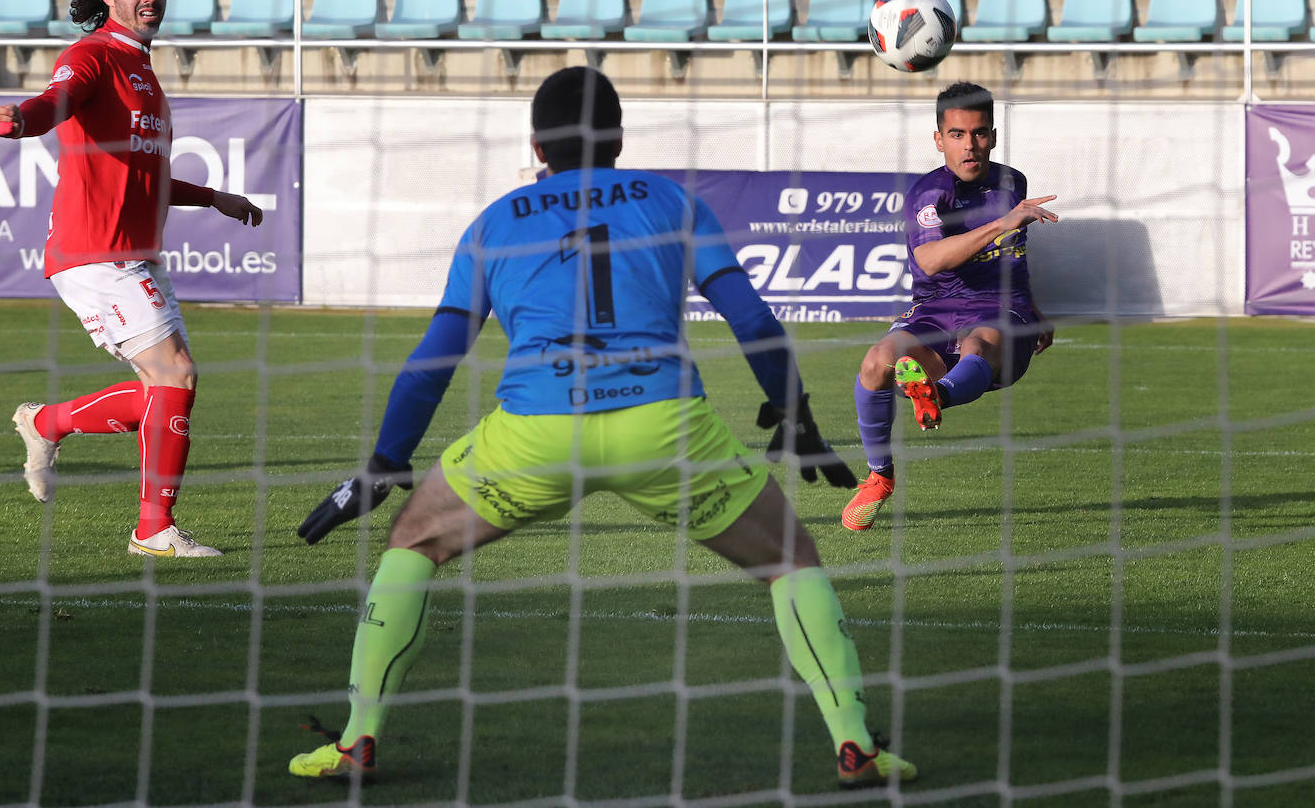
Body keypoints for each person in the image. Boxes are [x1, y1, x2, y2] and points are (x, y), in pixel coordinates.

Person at [287, 67, 918, 790]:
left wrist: (384, 461)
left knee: (412, 542)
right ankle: (855, 745)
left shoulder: (496, 220)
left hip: (536, 434)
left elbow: (437, 357)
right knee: (791, 558)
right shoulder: (671, 201)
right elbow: (750, 317)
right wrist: (793, 413)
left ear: (536, 145)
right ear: (620, 138)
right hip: (664, 428)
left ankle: (358, 738)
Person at [0, 0, 264, 558]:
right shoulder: (93, 56)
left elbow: (145, 172)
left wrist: (212, 196)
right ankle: (153, 529)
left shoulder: (142, 70)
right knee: (176, 374)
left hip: (132, 253)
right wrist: (23, 120)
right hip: (95, 250)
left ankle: (47, 422)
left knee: (165, 389)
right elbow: (55, 101)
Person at [842, 81, 1056, 532]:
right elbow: (930, 259)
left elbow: (1014, 254)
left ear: (993, 136)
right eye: (957, 135)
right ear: (939, 139)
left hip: (1001, 308)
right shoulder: (928, 194)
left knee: (981, 342)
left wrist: (1034, 309)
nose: (969, 146)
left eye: (979, 134)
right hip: (936, 307)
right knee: (877, 363)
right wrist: (1004, 221)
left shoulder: (1011, 181)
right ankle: (879, 477)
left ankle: (935, 396)